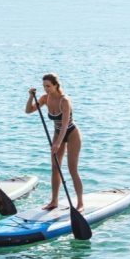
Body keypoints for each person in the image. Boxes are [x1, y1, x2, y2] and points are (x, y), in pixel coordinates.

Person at [26, 73, 84, 211]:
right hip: (57, 133)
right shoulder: (45, 98)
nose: (46, 89)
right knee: (55, 167)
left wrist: (58, 143)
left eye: (48, 86)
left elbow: (64, 125)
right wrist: (30, 97)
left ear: (56, 85)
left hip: (71, 133)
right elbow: (28, 111)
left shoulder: (65, 100)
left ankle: (80, 203)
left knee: (72, 169)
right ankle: (54, 201)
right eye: (44, 86)